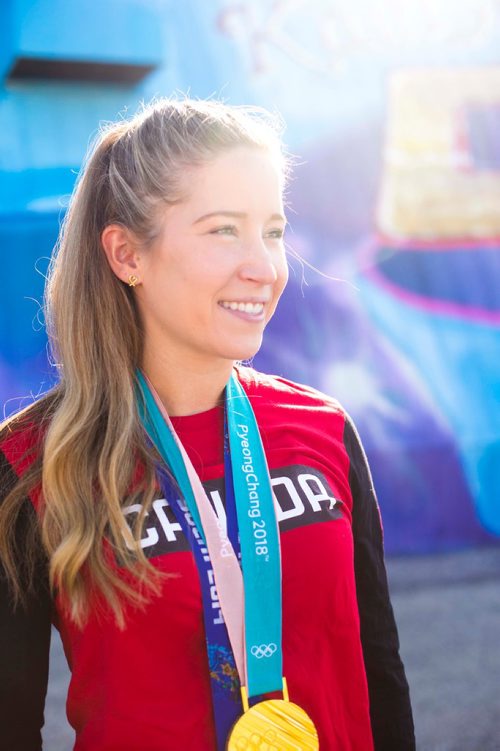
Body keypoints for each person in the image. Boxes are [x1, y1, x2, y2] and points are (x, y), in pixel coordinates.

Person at [0, 98, 415, 751]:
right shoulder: (32, 460)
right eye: (225, 229)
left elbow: (381, 676)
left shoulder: (323, 427)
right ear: (127, 254)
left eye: (273, 231)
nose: (264, 265)